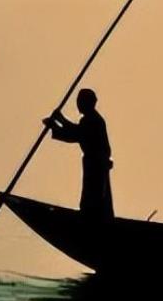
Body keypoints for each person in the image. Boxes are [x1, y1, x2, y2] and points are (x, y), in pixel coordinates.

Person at [43, 88, 114, 220]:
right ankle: (93, 214)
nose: (78, 105)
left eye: (80, 102)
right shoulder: (91, 120)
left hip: (96, 164)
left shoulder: (93, 120)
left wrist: (56, 124)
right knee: (93, 193)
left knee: (94, 194)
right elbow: (76, 132)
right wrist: (58, 122)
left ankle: (93, 216)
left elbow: (76, 134)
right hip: (94, 163)